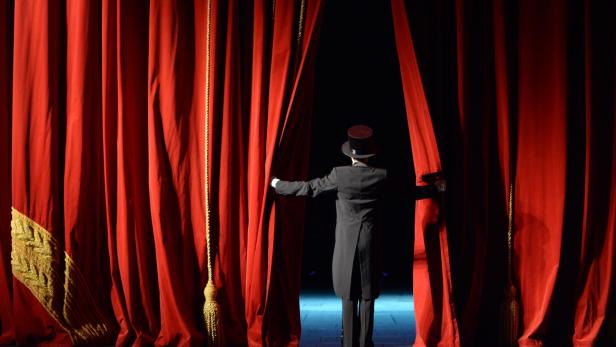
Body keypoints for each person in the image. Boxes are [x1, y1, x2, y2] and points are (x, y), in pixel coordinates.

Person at [270, 125, 445, 347]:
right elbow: (407, 192)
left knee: (348, 296)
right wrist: (435, 188)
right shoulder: (380, 176)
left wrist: (277, 184)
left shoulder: (340, 175)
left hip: (345, 245)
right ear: (370, 155)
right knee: (368, 296)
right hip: (370, 244)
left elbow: (309, 188)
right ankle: (365, 343)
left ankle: (349, 343)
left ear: (350, 155)